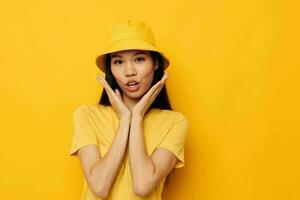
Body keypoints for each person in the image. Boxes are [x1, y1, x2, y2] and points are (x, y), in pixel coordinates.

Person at [69, 19, 189, 200]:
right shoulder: (87, 116)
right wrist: (125, 119)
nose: (129, 71)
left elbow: (142, 186)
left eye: (139, 59)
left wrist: (137, 116)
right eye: (118, 62)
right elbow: (100, 188)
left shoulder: (175, 123)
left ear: (156, 63)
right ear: (110, 68)